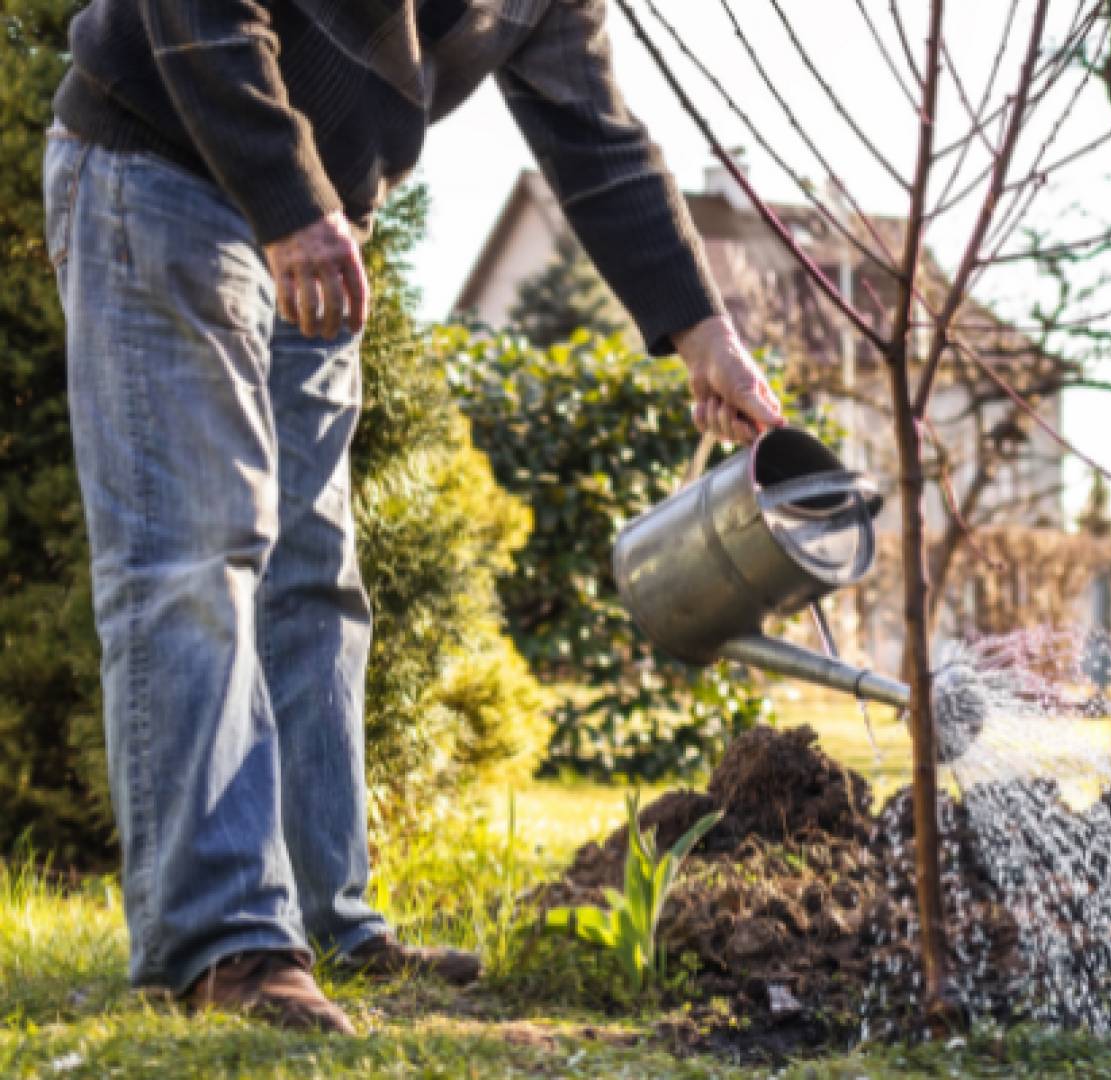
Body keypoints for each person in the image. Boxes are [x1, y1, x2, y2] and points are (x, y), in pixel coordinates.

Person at [43, 0, 784, 1035]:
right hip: (165, 169)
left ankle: (329, 921)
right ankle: (223, 943)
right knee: (197, 556)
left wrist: (702, 333)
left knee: (312, 578)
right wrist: (290, 203)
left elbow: (598, 137)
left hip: (315, 221)